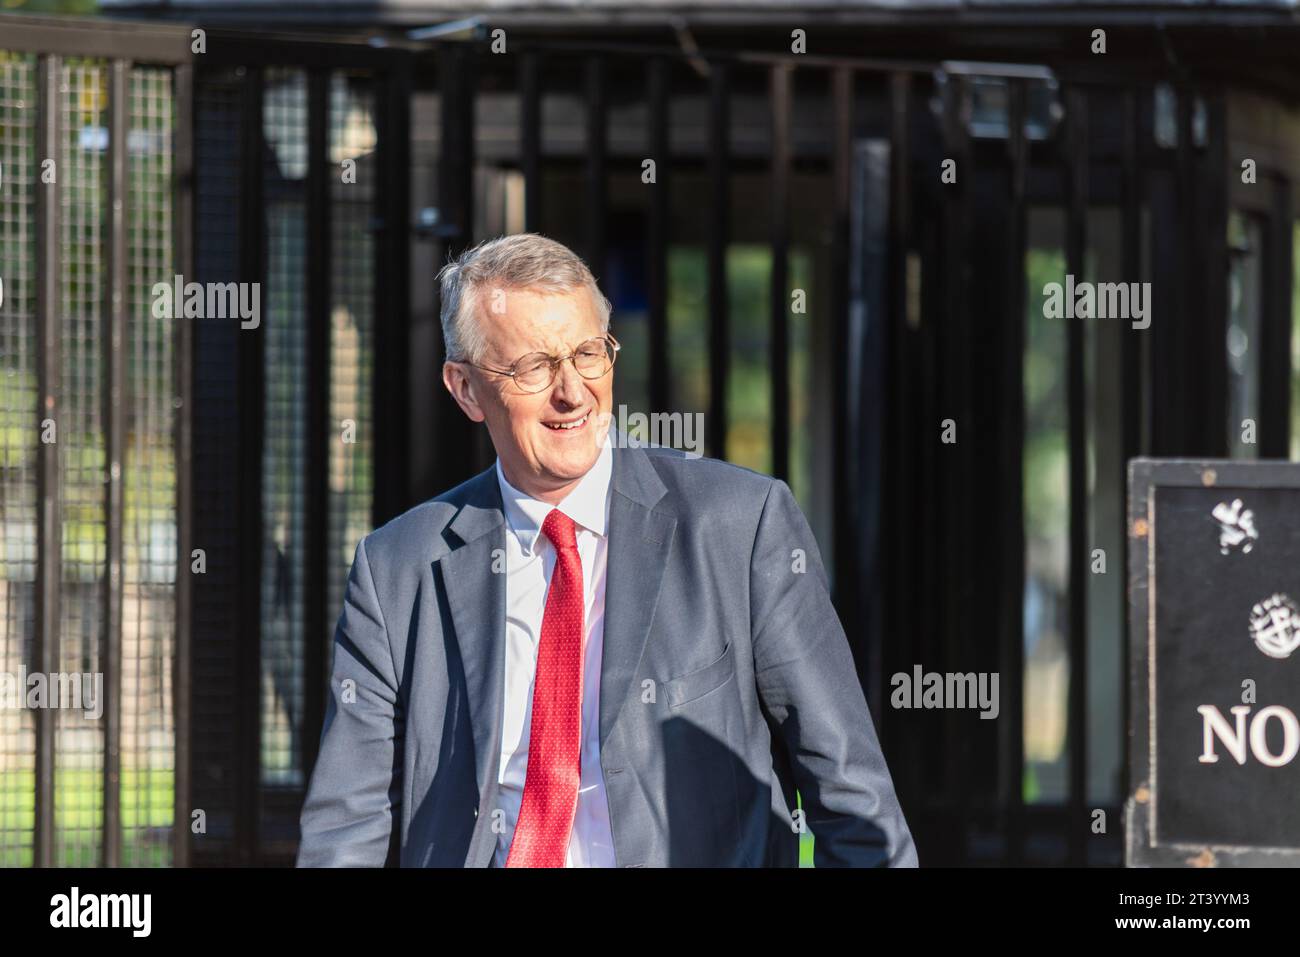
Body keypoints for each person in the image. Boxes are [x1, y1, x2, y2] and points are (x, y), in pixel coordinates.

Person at [296, 232, 917, 867]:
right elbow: (348, 824)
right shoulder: (397, 568)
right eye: (535, 366)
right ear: (465, 389)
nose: (572, 392)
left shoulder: (738, 525)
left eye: (589, 354)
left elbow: (851, 795)